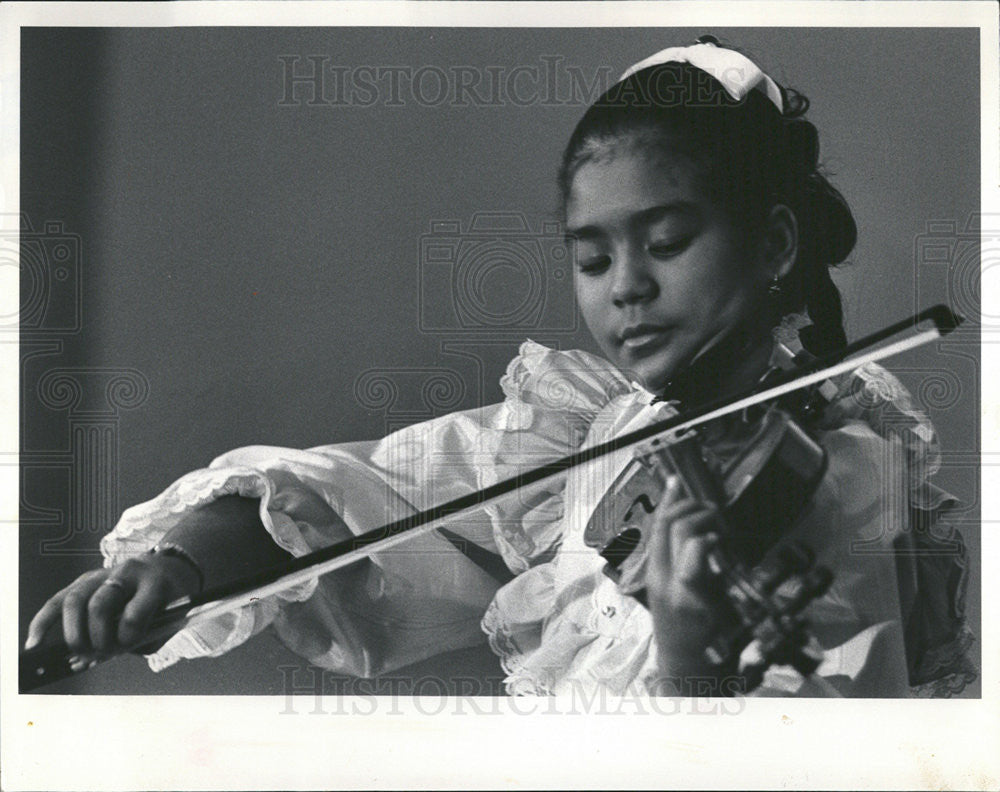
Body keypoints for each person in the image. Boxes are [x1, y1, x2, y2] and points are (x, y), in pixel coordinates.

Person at [25, 37, 976, 697]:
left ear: (773, 246)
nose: (626, 289)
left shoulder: (843, 469)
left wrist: (698, 655)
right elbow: (363, 492)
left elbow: (832, 750)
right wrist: (180, 560)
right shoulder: (603, 428)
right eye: (593, 258)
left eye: (668, 241)